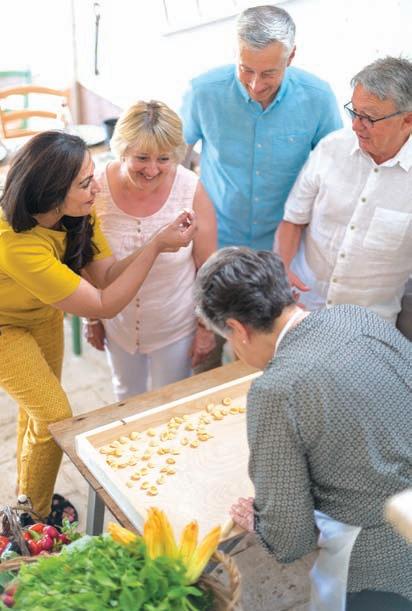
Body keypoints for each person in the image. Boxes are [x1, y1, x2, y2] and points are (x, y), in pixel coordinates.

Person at [194, 247, 412, 610]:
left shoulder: (277, 390)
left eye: (228, 339)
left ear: (238, 329)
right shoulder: (356, 316)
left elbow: (289, 538)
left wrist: (264, 523)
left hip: (377, 562)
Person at [0, 130, 196, 523]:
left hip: (42, 313)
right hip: (4, 326)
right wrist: (157, 247)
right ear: (53, 192)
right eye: (85, 183)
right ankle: (34, 519)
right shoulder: (15, 242)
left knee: (37, 412)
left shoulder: (76, 213)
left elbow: (106, 276)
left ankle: (27, 497)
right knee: (53, 415)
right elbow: (106, 304)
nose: (97, 188)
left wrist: (156, 241)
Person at [180, 4, 342, 252]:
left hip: (287, 244)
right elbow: (177, 156)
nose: (256, 85)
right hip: (216, 238)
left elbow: (333, 170)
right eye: (246, 70)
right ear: (235, 52)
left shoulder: (319, 98)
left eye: (268, 73)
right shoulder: (202, 92)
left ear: (291, 56)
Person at [84, 100, 217, 400]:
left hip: (174, 326)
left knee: (169, 402)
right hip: (117, 323)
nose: (152, 169)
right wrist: (91, 318)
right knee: (125, 395)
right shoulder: (96, 189)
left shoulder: (191, 189)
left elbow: (207, 267)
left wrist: (205, 327)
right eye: (142, 157)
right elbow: (85, 259)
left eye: (164, 158)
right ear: (122, 150)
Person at [275, 56, 412, 338]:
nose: (356, 126)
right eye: (354, 112)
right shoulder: (331, 148)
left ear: (407, 120)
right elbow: (293, 219)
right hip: (302, 307)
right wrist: (282, 270)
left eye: (369, 118)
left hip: (368, 327)